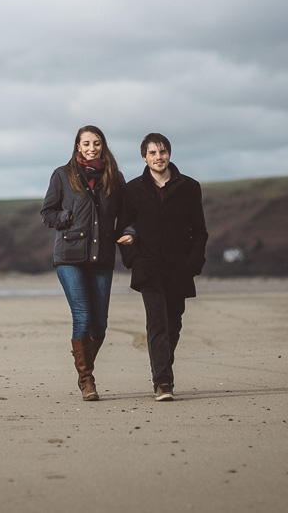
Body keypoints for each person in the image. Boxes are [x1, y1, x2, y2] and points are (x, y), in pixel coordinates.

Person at [41, 125, 134, 401]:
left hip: (102, 256)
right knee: (82, 316)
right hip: (70, 256)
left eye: (96, 143)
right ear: (77, 147)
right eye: (86, 143)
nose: (91, 148)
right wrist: (66, 218)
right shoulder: (62, 175)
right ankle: (87, 380)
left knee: (100, 324)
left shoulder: (114, 178)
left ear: (103, 146)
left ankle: (85, 367)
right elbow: (47, 213)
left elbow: (126, 216)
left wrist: (130, 233)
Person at [121, 132, 208, 401]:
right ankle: (163, 382)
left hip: (179, 266)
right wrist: (134, 258)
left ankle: (161, 368)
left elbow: (200, 231)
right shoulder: (132, 189)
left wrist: (193, 263)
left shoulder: (190, 187)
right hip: (148, 266)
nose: (159, 157)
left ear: (169, 153)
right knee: (156, 323)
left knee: (174, 323)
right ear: (144, 157)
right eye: (153, 153)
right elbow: (123, 228)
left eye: (163, 151)